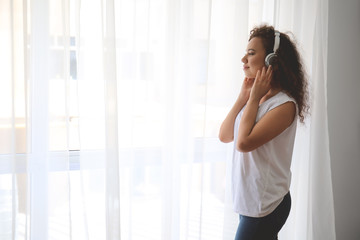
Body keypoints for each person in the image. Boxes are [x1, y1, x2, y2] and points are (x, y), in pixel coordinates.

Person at [219, 25, 308, 240]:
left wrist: (251, 99)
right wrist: (244, 97)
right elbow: (225, 135)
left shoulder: (284, 105)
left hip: (266, 204)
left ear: (272, 60)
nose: (243, 59)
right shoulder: (256, 99)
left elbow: (243, 143)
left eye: (251, 53)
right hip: (250, 202)